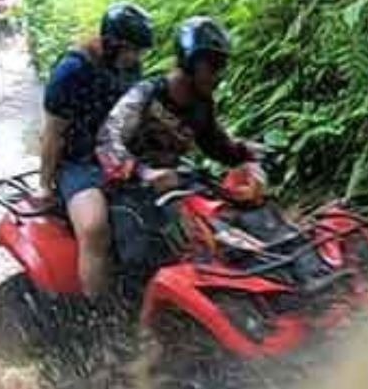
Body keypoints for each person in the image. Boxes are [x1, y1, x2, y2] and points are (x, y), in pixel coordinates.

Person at [96, 16, 260, 267]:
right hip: (126, 189)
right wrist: (143, 172)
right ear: (190, 62)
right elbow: (107, 140)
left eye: (222, 65)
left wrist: (248, 155)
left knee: (231, 218)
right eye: (213, 65)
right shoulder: (146, 94)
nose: (219, 75)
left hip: (174, 185)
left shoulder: (201, 105)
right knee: (146, 254)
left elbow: (217, 146)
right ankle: (129, 299)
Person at [40, 2, 154, 297]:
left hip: (119, 154)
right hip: (78, 163)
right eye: (132, 50)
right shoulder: (72, 71)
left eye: (140, 52)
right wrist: (46, 185)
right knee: (93, 227)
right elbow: (53, 135)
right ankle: (98, 315)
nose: (137, 58)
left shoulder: (129, 68)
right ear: (112, 44)